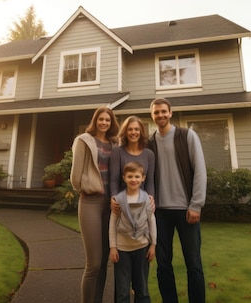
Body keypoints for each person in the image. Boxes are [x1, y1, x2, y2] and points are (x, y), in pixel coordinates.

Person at [147, 97, 207, 303]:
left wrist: (196, 204)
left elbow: (200, 171)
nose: (161, 115)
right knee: (163, 265)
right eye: (156, 112)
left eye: (164, 111)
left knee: (194, 264)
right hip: (160, 213)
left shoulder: (187, 136)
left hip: (186, 210)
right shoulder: (149, 143)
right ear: (152, 116)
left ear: (170, 113)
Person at [70, 107, 119, 303]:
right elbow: (76, 172)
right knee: (94, 264)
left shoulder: (115, 144)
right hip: (90, 202)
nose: (104, 123)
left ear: (111, 122)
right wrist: (83, 187)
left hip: (110, 206)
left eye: (107, 120)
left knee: (104, 261)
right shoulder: (84, 140)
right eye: (101, 119)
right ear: (95, 121)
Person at [109, 162, 157, 303]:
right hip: (122, 249)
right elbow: (112, 224)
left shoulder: (147, 200)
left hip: (142, 247)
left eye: (137, 176)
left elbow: (151, 221)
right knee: (123, 290)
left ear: (143, 178)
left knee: (141, 288)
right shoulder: (118, 200)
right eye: (130, 176)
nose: (133, 179)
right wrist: (113, 247)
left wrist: (153, 245)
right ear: (124, 178)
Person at [109, 115, 155, 199]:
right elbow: (114, 180)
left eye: (137, 129)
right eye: (130, 129)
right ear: (125, 132)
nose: (133, 132)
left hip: (142, 202)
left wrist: (151, 197)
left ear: (141, 131)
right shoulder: (117, 152)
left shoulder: (149, 154)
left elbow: (150, 182)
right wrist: (114, 197)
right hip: (122, 201)